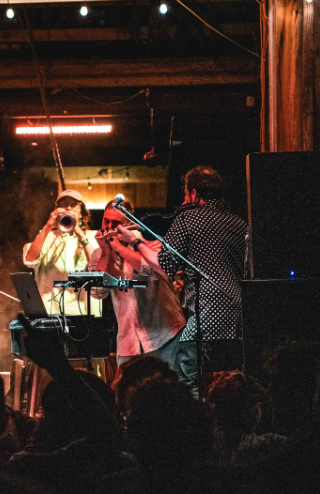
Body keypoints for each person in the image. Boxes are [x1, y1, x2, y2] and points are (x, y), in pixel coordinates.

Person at [122, 166, 248, 393]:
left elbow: (164, 265)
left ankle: (197, 422)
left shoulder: (187, 220)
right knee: (232, 380)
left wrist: (136, 242)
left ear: (195, 193)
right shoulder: (239, 223)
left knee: (186, 375)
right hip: (240, 317)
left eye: (185, 192)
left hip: (207, 315)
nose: (183, 198)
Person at [90, 197, 185, 369]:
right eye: (106, 221)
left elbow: (148, 271)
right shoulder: (99, 254)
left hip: (164, 335)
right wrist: (106, 253)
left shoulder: (150, 242)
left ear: (128, 225)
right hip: (128, 342)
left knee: (170, 391)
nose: (108, 228)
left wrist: (119, 247)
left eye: (115, 223)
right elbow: (97, 292)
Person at [22, 189, 100, 316]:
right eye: (63, 204)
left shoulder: (91, 237)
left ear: (81, 213)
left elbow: (98, 269)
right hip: (50, 312)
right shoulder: (47, 236)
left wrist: (80, 234)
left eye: (74, 204)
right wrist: (47, 226)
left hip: (82, 313)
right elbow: (29, 260)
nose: (68, 207)